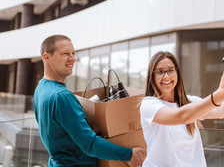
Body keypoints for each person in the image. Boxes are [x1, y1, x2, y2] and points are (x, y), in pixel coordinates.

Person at [33, 35, 145, 167]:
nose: (72, 59)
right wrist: (129, 155)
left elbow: (58, 132)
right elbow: (90, 144)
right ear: (47, 57)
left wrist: (83, 130)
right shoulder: (62, 96)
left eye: (73, 53)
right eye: (65, 54)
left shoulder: (40, 89)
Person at [140, 51, 224, 167]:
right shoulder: (149, 105)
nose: (166, 76)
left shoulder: (190, 101)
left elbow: (220, 112)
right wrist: (220, 95)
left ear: (177, 73)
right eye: (160, 72)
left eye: (170, 70)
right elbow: (181, 116)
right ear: (152, 76)